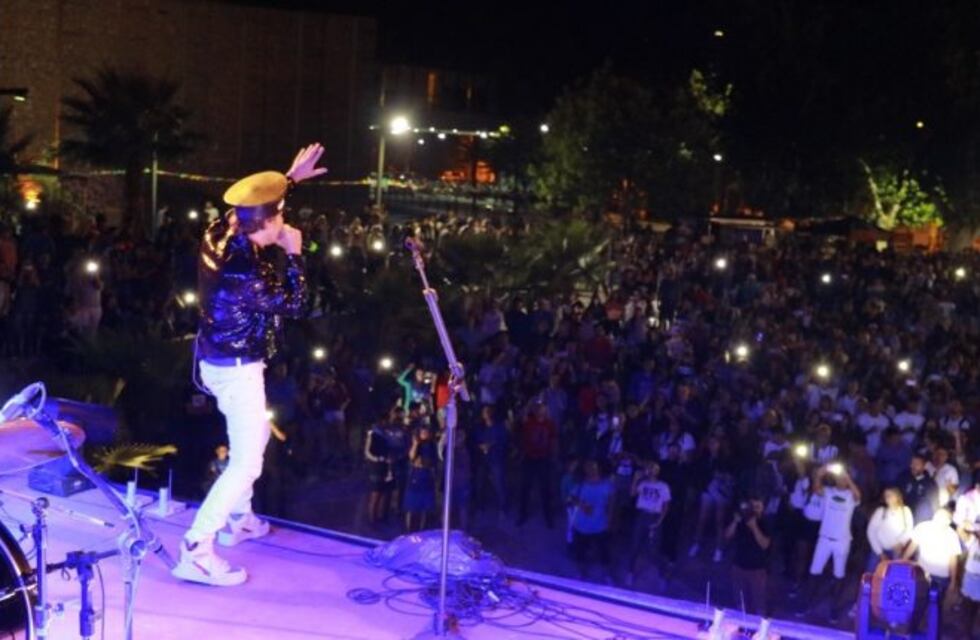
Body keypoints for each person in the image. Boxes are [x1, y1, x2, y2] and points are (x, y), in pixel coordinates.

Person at [172, 144, 326, 587]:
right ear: (272, 223)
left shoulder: (222, 229)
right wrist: (295, 253)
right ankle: (197, 548)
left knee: (257, 433)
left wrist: (290, 179)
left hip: (216, 357)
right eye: (281, 215)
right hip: (237, 368)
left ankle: (240, 517)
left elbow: (254, 207)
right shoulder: (245, 272)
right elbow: (296, 304)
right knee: (247, 464)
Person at [797, 464, 861, 623]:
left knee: (838, 575)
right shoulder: (829, 492)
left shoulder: (850, 496)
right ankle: (806, 604)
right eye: (839, 478)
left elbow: (858, 496)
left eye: (844, 479)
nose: (841, 481)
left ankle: (834, 609)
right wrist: (824, 470)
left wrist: (848, 479)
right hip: (824, 539)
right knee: (814, 572)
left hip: (842, 541)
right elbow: (816, 486)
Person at [568, 460, 615, 582]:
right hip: (581, 525)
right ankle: (581, 574)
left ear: (598, 468)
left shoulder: (607, 485)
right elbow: (571, 498)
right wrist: (581, 505)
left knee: (604, 552)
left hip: (600, 525)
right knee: (580, 552)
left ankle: (607, 576)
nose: (591, 470)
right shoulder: (581, 485)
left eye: (593, 467)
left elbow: (611, 504)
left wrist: (610, 521)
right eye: (588, 467)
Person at [625, 461, 670, 587]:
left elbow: (666, 505)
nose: (651, 470)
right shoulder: (643, 484)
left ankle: (662, 575)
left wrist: (659, 521)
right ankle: (630, 572)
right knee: (635, 545)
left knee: (653, 550)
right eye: (650, 468)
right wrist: (635, 479)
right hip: (642, 515)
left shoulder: (663, 486)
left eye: (654, 468)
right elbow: (632, 493)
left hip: (654, 516)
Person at [903, 507, 962, 604]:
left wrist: (953, 581)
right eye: (938, 515)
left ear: (949, 521)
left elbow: (953, 560)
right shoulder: (922, 527)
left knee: (936, 604)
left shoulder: (952, 535)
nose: (940, 519)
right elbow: (912, 546)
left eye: (944, 517)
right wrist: (903, 561)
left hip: (940, 577)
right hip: (921, 572)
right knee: (917, 601)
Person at [725, 497, 771, 616]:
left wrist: (754, 527)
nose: (754, 510)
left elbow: (765, 544)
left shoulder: (766, 523)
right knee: (740, 601)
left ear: (763, 509)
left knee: (759, 603)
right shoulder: (741, 520)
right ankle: (742, 625)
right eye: (752, 506)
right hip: (738, 566)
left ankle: (759, 630)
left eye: (758, 507)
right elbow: (727, 535)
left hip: (757, 569)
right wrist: (735, 521)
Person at [865, 487, 913, 574]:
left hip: (896, 551)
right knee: (870, 573)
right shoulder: (880, 511)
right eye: (886, 496)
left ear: (897, 496)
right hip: (879, 550)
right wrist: (880, 553)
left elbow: (909, 529)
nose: (887, 498)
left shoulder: (905, 511)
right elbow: (871, 531)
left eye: (890, 495)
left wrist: (901, 542)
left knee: (893, 574)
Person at [899, 454, 940, 524]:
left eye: (917, 464)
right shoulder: (903, 477)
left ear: (924, 466)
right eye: (912, 463)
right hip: (903, 515)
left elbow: (934, 505)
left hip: (921, 519)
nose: (913, 466)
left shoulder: (930, 484)